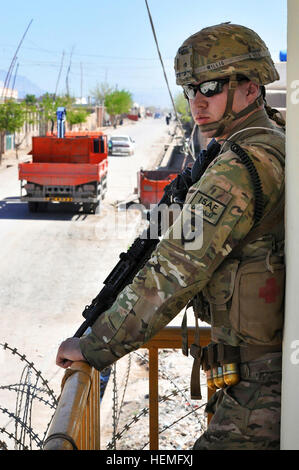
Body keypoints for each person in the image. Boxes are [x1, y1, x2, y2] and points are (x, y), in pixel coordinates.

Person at [56, 23, 285, 450]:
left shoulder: (238, 167)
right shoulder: (276, 138)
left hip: (262, 388)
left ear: (252, 88)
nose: (197, 101)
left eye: (212, 86)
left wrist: (96, 346)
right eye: (190, 89)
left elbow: (172, 274)